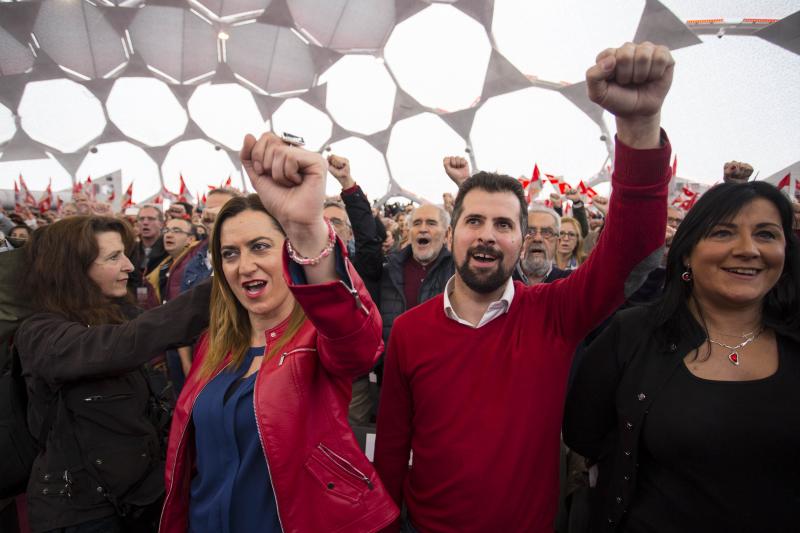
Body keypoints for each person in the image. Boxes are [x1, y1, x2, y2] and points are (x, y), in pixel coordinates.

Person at [374, 41, 674, 532]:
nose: (488, 234)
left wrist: (639, 128)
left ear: (521, 240)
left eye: (503, 224)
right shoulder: (409, 331)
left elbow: (633, 257)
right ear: (452, 235)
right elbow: (391, 448)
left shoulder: (555, 313)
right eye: (474, 220)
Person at [159, 133, 398, 533]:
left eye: (260, 247)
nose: (244, 265)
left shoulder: (318, 337)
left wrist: (307, 228)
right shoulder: (214, 346)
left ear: (289, 252)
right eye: (230, 254)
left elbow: (359, 344)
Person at [564, 181, 800, 531]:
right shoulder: (632, 335)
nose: (748, 249)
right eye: (723, 233)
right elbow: (584, 432)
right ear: (687, 251)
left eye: (766, 234)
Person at [14, 216, 212, 533]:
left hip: (137, 501)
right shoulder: (40, 333)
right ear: (74, 270)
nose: (129, 267)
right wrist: (216, 290)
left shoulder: (118, 313)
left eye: (124, 253)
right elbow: (126, 343)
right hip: (80, 513)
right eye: (112, 257)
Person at [518, 204, 571, 285]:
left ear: (558, 243)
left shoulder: (568, 281)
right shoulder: (500, 280)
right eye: (530, 231)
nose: (537, 238)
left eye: (547, 232)